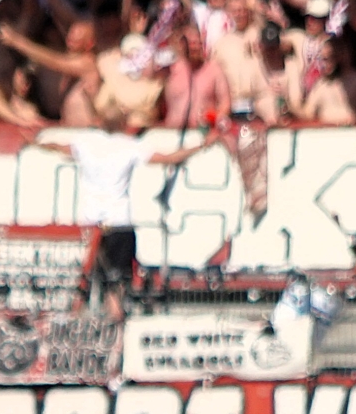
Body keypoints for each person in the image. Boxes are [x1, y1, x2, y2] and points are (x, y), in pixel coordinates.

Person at [36, 102, 220, 318]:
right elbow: (168, 157)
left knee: (86, 280)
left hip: (91, 224)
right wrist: (201, 146)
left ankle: (76, 325)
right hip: (119, 222)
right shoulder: (130, 145)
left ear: (100, 121)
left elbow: (57, 146)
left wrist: (35, 141)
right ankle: (117, 330)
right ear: (123, 123)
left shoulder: (86, 143)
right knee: (117, 286)